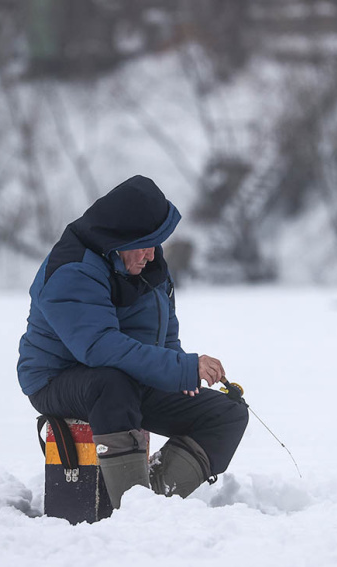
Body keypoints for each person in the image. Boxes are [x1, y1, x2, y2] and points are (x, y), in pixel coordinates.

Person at [17, 175, 248, 509]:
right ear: (118, 239)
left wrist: (178, 373)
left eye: (156, 243)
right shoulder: (72, 269)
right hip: (58, 380)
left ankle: (152, 497)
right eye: (144, 244)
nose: (152, 256)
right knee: (112, 384)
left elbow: (164, 333)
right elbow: (100, 348)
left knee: (227, 414)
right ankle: (131, 509)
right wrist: (183, 367)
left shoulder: (147, 262)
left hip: (127, 378)